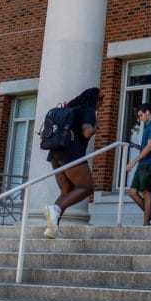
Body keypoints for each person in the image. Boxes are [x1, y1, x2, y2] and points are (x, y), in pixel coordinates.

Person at [41, 87, 101, 239]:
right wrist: (95, 126)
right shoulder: (88, 110)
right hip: (71, 154)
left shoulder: (70, 108)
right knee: (87, 187)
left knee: (66, 191)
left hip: (55, 154)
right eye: (100, 99)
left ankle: (52, 227)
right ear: (94, 99)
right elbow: (87, 132)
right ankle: (55, 209)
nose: (102, 102)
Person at [123, 102, 151, 226]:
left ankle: (146, 224)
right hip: (143, 164)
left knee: (146, 192)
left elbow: (150, 147)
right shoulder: (147, 126)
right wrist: (138, 147)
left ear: (148, 112)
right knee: (132, 192)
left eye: (141, 115)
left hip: (149, 164)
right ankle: (150, 216)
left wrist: (133, 162)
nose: (140, 118)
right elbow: (146, 146)